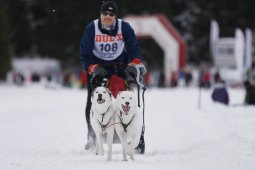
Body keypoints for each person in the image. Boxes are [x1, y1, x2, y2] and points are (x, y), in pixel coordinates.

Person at [80, 0, 147, 154]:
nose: (108, 17)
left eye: (111, 14)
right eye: (105, 14)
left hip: (120, 65)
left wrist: (133, 65)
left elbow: (134, 50)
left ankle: (136, 137)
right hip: (98, 68)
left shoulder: (124, 27)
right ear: (100, 15)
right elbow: (84, 55)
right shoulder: (92, 28)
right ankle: (92, 136)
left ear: (115, 16)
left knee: (128, 99)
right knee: (92, 99)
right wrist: (93, 68)